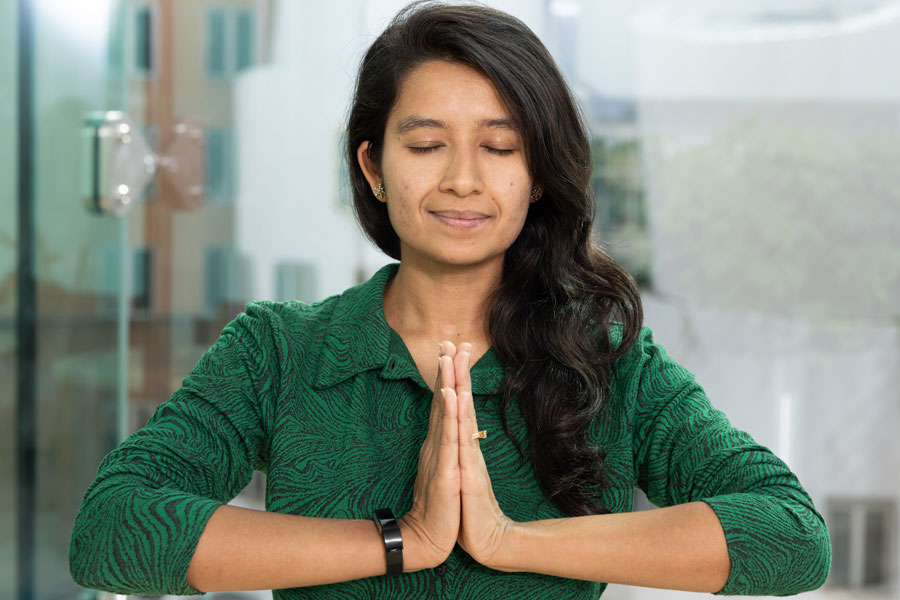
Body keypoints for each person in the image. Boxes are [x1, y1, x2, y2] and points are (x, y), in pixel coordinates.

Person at [69, 2, 831, 598]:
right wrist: (402, 540)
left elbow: (792, 536)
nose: (463, 179)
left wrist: (509, 540)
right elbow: (111, 530)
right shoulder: (278, 351)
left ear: (536, 175)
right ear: (372, 167)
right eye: (427, 145)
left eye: (499, 148)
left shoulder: (602, 355)